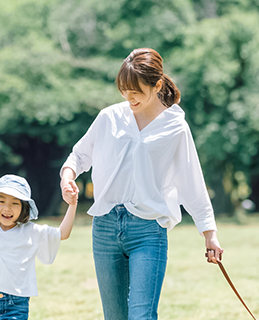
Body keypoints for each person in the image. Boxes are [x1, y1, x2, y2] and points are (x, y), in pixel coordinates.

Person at [59, 48, 224, 320]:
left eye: (135, 91)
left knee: (141, 315)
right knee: (115, 316)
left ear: (157, 85)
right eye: (124, 90)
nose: (128, 97)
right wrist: (68, 176)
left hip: (148, 229)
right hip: (105, 226)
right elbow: (80, 155)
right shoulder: (109, 117)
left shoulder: (175, 127)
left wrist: (209, 233)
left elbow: (191, 180)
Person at [0, 171, 78, 320]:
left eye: (15, 203)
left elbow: (63, 233)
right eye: (1, 201)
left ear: (24, 208)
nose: (7, 208)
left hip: (16, 305)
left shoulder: (32, 231)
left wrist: (73, 204)